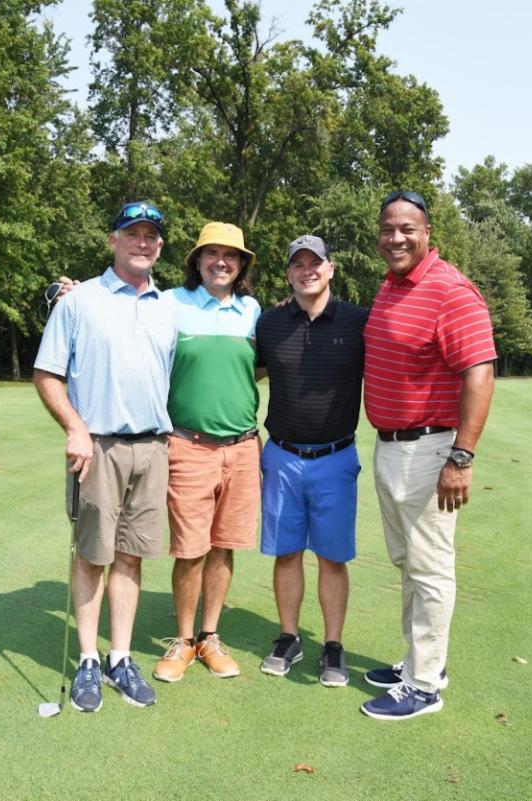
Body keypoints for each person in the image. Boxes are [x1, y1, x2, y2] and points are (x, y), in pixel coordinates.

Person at [33, 201, 178, 712]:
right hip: (97, 447)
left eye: (151, 235)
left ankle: (120, 658)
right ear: (113, 240)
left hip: (153, 448)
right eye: (132, 233)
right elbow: (47, 374)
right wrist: (75, 428)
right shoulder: (79, 302)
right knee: (93, 555)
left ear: (160, 246)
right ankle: (89, 661)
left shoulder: (168, 307)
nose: (142, 242)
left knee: (131, 556)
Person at [360, 190, 497, 721]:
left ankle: (423, 687)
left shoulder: (450, 290)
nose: (395, 238)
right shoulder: (391, 286)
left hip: (431, 448)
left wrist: (461, 457)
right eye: (387, 229)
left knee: (431, 567)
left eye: (407, 229)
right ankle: (420, 663)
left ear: (427, 233)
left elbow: (480, 374)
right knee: (409, 563)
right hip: (392, 446)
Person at [254, 235, 368, 687]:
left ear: (330, 269)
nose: (307, 271)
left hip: (335, 458)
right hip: (282, 455)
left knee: (332, 558)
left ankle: (333, 644)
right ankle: (289, 636)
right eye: (298, 265)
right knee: (286, 554)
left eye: (315, 263)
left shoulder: (359, 321)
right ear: (288, 274)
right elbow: (243, 371)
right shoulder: (270, 323)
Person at [151, 223, 262, 683]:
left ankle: (209, 636)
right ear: (196, 261)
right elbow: (124, 310)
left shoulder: (253, 310)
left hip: (243, 448)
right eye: (211, 253)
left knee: (223, 545)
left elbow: (256, 367)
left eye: (230, 255)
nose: (221, 261)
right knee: (190, 549)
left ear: (241, 265)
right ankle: (182, 639)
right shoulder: (170, 303)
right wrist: (77, 295)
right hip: (187, 444)